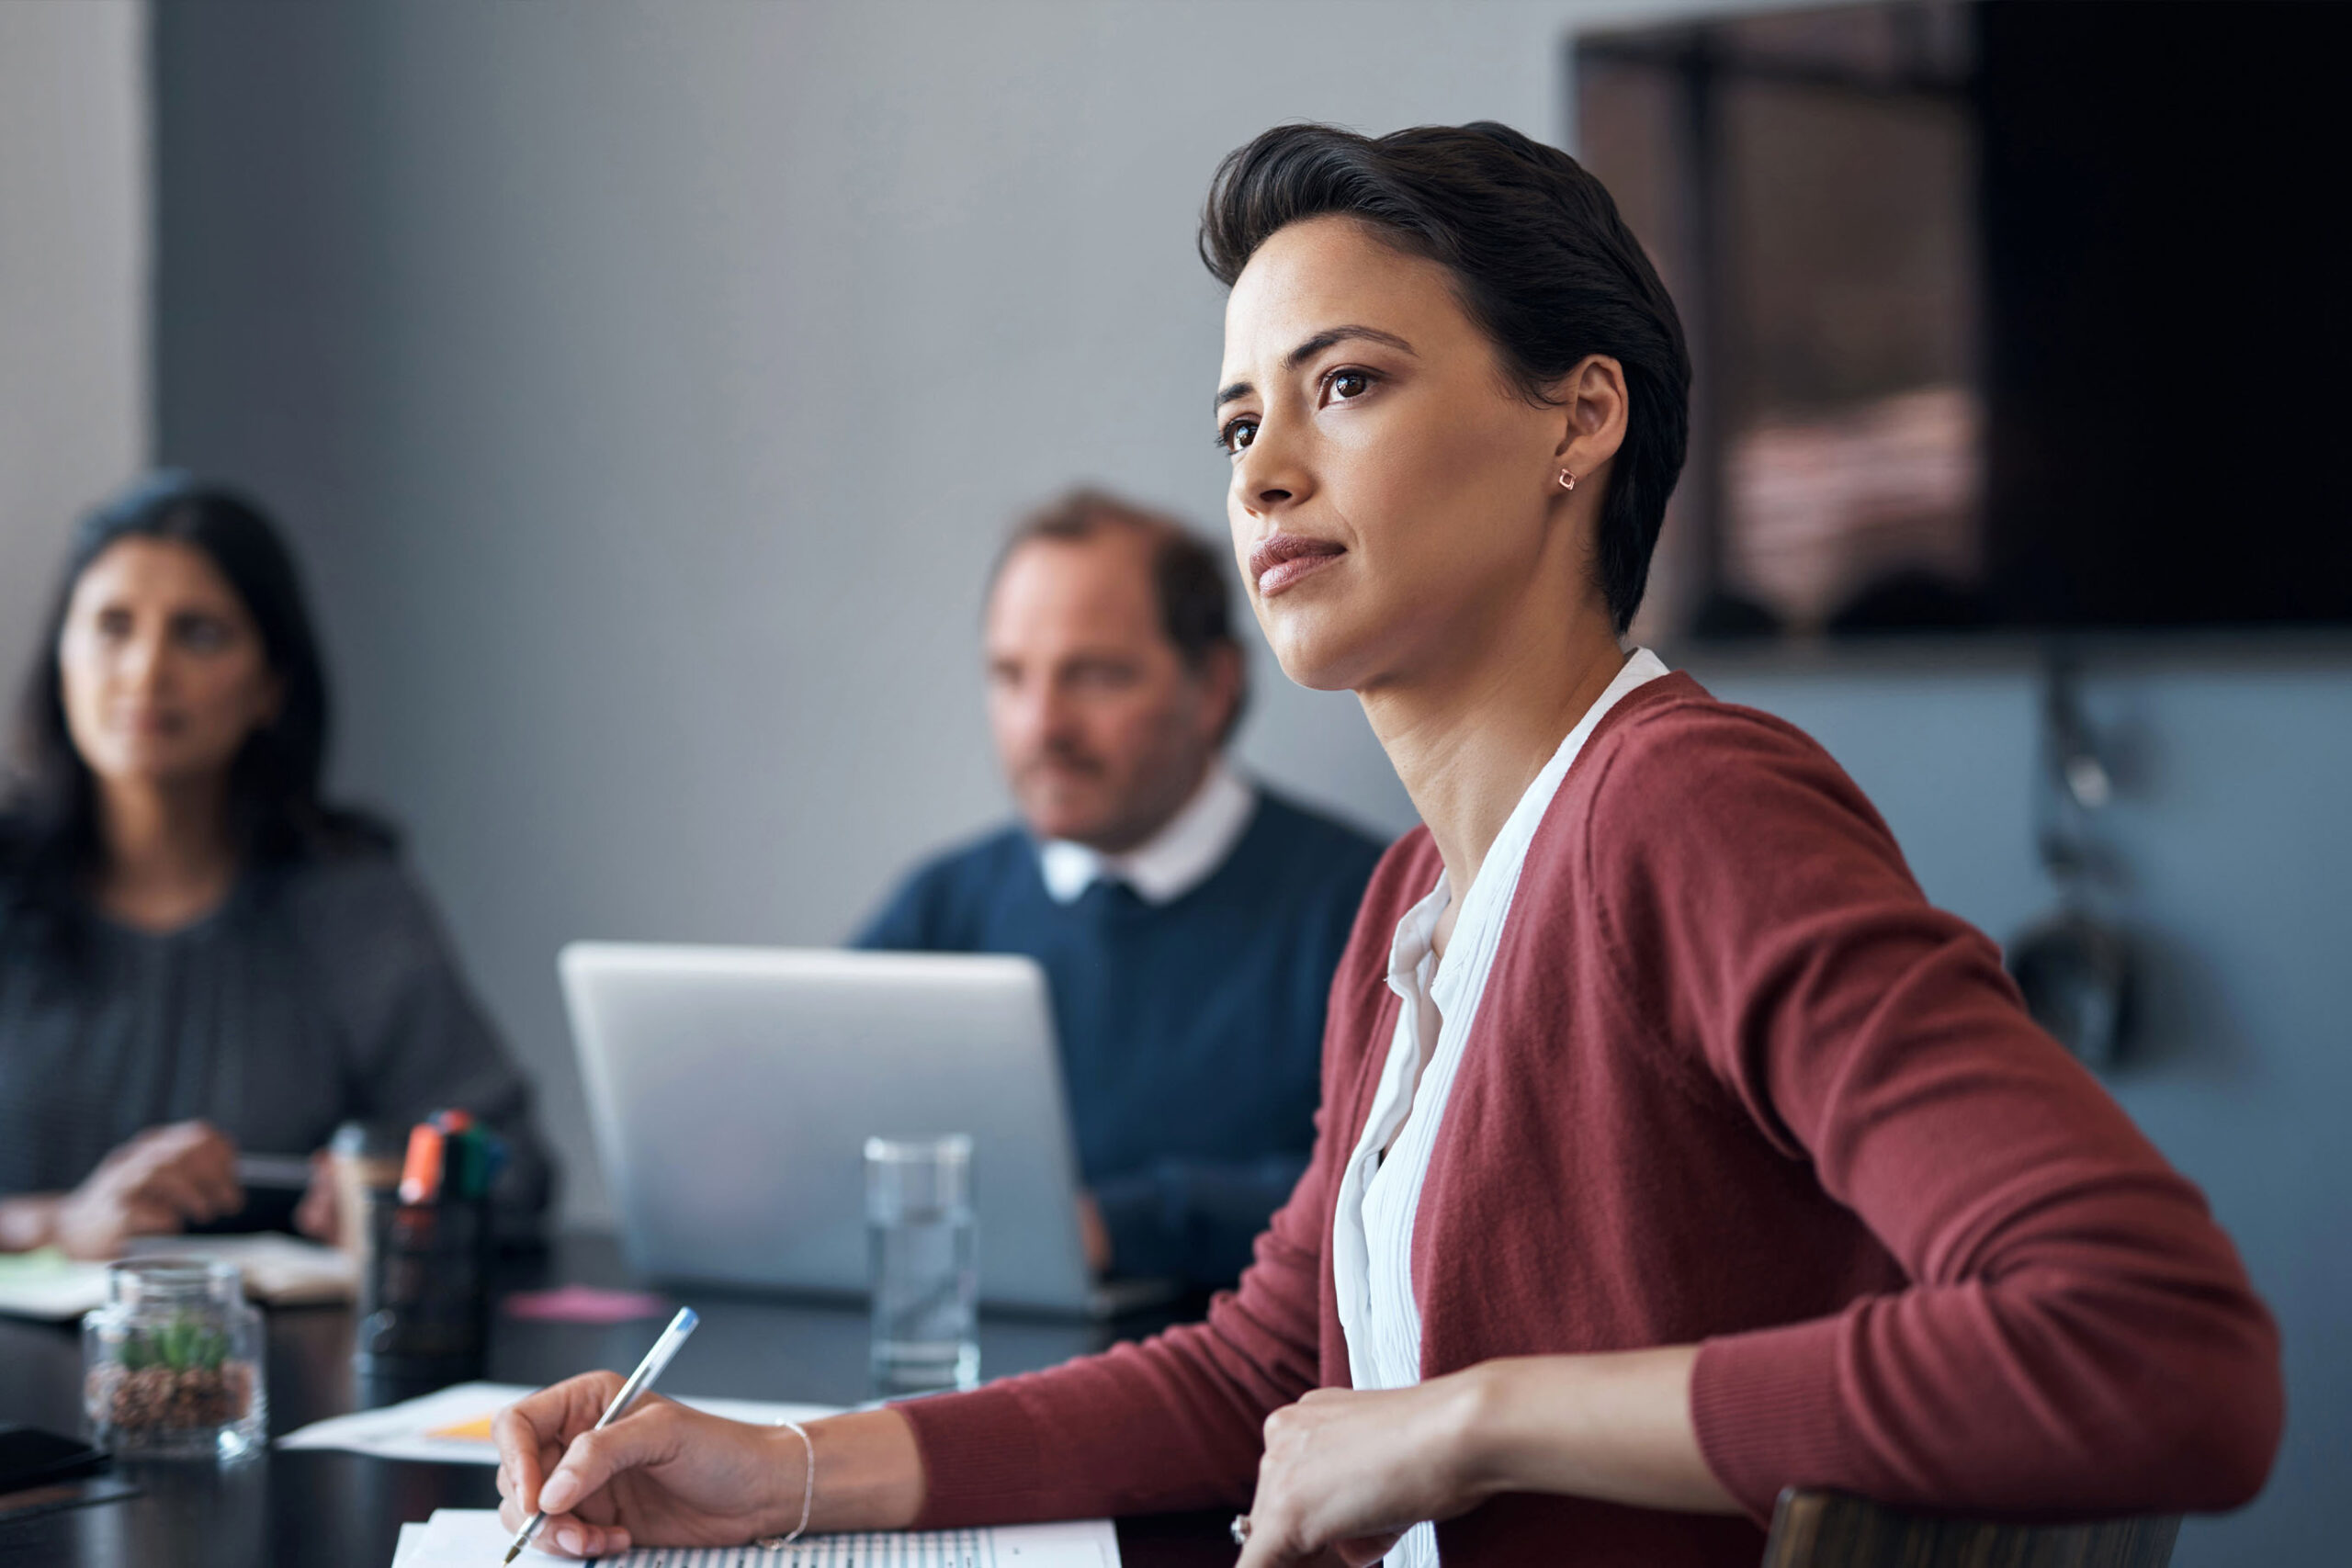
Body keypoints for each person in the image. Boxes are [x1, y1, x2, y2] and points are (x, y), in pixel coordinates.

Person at [492, 123, 2281, 1565]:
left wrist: (1471, 1415)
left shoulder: (1689, 811)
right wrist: (776, 1470)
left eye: (1340, 385)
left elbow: (2155, 1344)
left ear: (1576, 418)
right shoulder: (1413, 903)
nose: (1261, 470)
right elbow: (1267, 1370)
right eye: (1234, 420)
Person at [0, 473, 549, 1258]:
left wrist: (395, 1193)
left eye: (199, 633)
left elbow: (510, 1167)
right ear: (62, 659)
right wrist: (55, 1223)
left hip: (279, 1362)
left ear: (270, 687)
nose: (147, 671)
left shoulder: (351, 905)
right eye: (113, 626)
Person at [855, 491, 1385, 1289]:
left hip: (1247, 1391)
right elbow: (804, 1135)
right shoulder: (944, 904)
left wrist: (1118, 1225)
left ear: (1212, 688)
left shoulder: (1365, 906)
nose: (1043, 726)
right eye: (1010, 676)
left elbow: (1389, 1186)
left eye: (1094, 677)